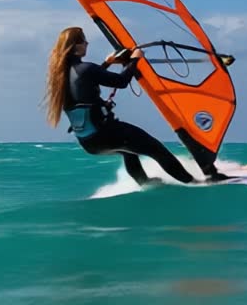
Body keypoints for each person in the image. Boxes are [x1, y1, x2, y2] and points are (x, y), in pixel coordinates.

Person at [44, 26, 221, 186]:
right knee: (156, 149)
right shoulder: (86, 69)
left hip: (89, 142)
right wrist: (135, 60)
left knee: (129, 152)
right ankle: (195, 183)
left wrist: (107, 64)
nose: (87, 43)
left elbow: (87, 82)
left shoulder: (60, 77)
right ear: (76, 46)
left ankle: (144, 182)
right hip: (107, 133)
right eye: (83, 40)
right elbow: (121, 81)